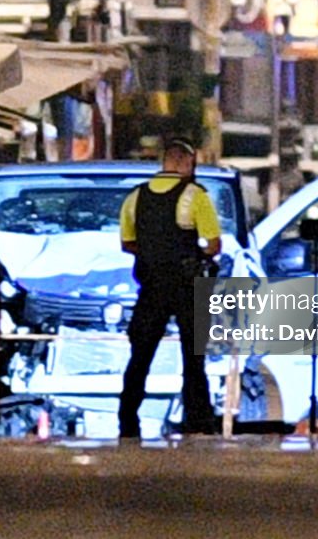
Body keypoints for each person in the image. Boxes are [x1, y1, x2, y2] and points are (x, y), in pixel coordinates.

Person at [117, 138, 221, 438]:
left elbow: (127, 243)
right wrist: (194, 255)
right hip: (187, 286)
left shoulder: (136, 197)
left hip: (151, 286)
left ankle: (127, 417)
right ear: (187, 163)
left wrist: (153, 253)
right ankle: (198, 419)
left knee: (140, 355)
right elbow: (214, 245)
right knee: (193, 356)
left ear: (164, 163)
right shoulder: (195, 196)